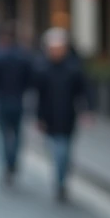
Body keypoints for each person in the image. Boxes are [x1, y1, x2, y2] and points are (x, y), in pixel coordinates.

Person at [34, 27, 93, 204]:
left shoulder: (73, 68)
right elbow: (39, 96)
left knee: (65, 151)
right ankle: (60, 180)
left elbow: (85, 90)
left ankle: (62, 177)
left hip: (68, 116)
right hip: (50, 117)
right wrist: (39, 118)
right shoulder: (43, 69)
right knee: (57, 151)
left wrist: (87, 111)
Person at [0, 22, 36, 186]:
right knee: (17, 134)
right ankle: (12, 161)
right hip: (18, 100)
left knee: (2, 135)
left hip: (1, 101)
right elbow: (30, 80)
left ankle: (7, 164)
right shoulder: (23, 56)